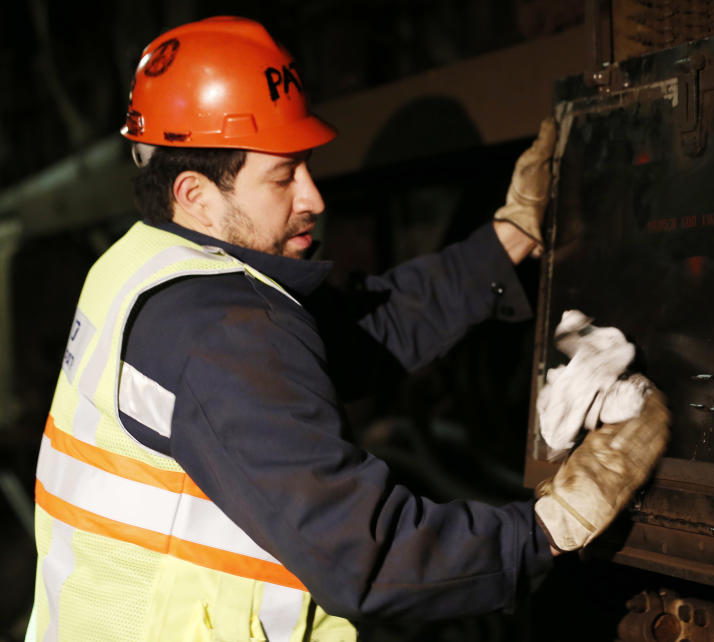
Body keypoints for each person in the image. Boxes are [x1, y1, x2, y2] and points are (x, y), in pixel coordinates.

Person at [28, 16, 669, 642]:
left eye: (305, 165)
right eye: (284, 176)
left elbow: (367, 327)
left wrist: (509, 238)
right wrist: (553, 526)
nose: (313, 196)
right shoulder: (222, 333)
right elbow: (372, 556)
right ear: (195, 194)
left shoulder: (143, 267)